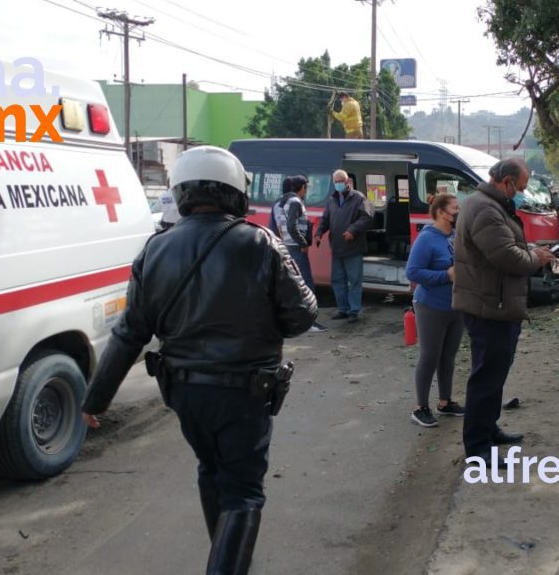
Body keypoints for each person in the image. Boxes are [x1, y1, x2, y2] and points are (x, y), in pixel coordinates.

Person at [80, 146, 318, 575]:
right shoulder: (260, 242)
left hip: (185, 393)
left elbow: (129, 333)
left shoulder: (154, 250)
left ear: (182, 192)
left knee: (210, 471)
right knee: (244, 491)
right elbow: (302, 315)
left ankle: (224, 553)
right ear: (234, 193)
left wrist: (94, 400)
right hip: (245, 392)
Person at [453, 157, 555, 468]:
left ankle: (489, 428)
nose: (522, 193)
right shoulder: (485, 208)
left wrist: (528, 251)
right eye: (521, 188)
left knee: (494, 375)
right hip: (489, 306)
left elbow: (505, 247)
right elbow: (506, 257)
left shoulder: (490, 205)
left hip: (494, 303)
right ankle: (478, 447)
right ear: (506, 181)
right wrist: (535, 257)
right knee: (486, 378)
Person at [406, 193, 466, 427]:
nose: (458, 211)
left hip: (455, 306)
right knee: (429, 356)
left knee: (448, 356)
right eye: (454, 208)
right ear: (440, 212)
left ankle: (445, 401)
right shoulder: (426, 238)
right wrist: (445, 275)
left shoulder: (453, 235)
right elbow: (413, 272)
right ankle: (420, 407)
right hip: (430, 306)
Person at [315, 169, 374, 323]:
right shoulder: (332, 200)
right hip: (337, 247)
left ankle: (353, 311)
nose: (339, 184)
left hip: (353, 248)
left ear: (348, 182)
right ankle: (342, 309)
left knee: (354, 281)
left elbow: (367, 217)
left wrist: (352, 230)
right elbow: (325, 219)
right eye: (336, 182)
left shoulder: (359, 198)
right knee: (338, 280)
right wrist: (319, 232)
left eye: (341, 181)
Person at [273, 175, 327, 333]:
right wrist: (303, 243)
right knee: (306, 283)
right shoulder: (296, 202)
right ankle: (310, 322)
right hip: (296, 247)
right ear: (302, 187)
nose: (306, 191)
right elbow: (291, 226)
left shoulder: (282, 202)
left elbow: (281, 226)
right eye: (306, 187)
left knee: (294, 282)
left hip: (288, 245)